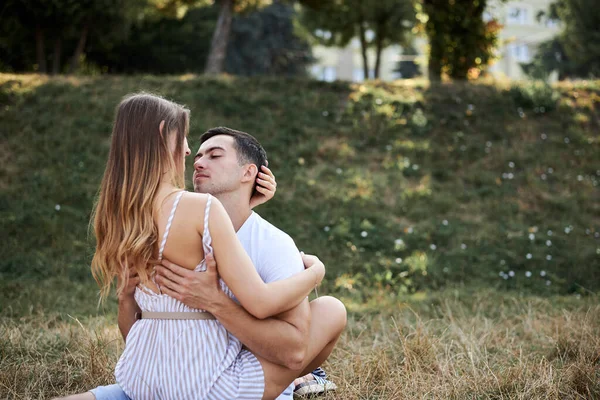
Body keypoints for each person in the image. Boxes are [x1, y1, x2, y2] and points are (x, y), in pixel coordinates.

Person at [63, 93, 345, 400]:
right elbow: (262, 303)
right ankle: (299, 382)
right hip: (203, 386)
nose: (189, 154)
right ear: (162, 136)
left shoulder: (121, 214)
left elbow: (139, 327)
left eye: (213, 155)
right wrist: (316, 272)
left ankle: (305, 377)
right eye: (185, 141)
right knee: (331, 309)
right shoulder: (202, 210)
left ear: (248, 173)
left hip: (140, 378)